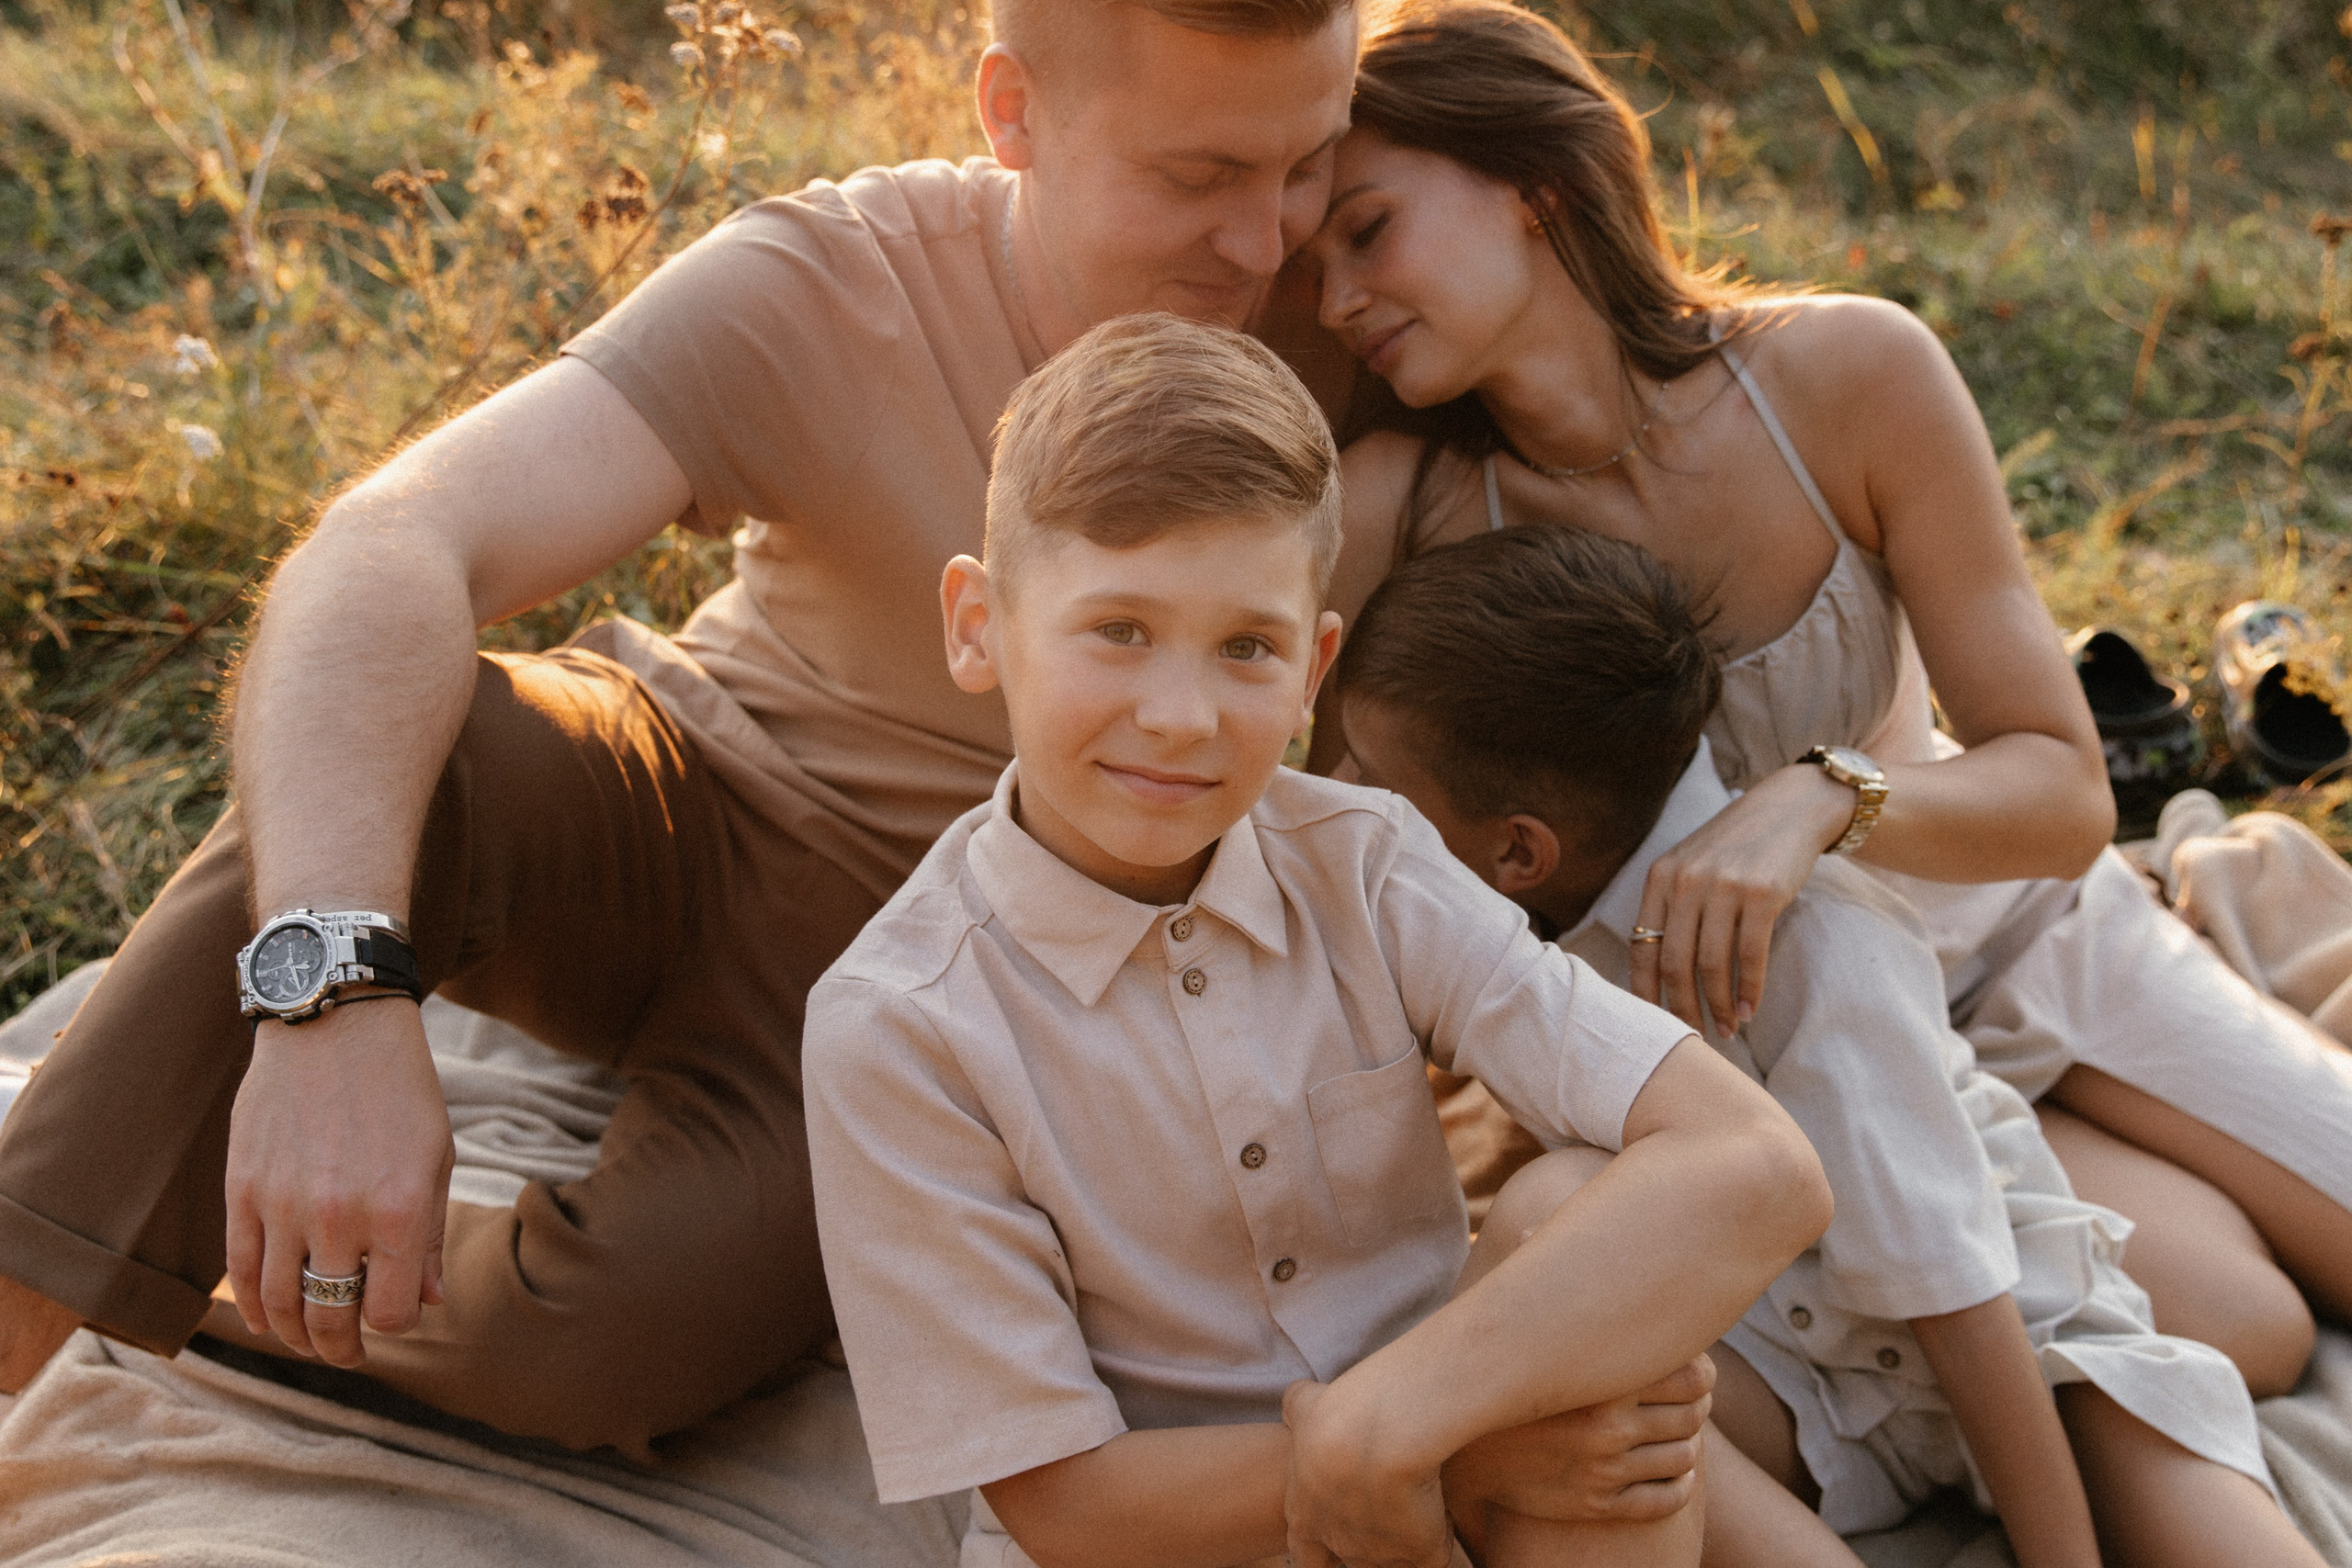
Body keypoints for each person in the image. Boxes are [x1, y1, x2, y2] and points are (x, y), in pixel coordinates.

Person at [0, 0, 1384, 1454]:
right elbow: (389, 544)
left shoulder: (1354, 313)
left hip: (936, 969)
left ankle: (178, 1241)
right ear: (1011, 112)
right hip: (678, 800)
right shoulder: (842, 278)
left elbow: (1620, 412)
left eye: (1309, 163)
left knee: (616, 1350)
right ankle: (31, 1281)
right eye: (1195, 177)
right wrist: (331, 995)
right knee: (414, 749)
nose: (1267, 238)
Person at [1304, 0, 2352, 1392]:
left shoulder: (1847, 375)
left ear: (1538, 185)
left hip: (2021, 934)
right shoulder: (1404, 511)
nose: (1334, 300)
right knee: (2251, 1329)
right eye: (1312, 264)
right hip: (1785, 1067)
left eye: (1366, 231)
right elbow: (1312, 857)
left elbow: (2056, 785)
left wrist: (1821, 797)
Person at [802, 314, 1831, 1568]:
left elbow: (1760, 1163)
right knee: (1585, 1378)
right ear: (979, 623)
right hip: (1174, 1541)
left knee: (1586, 1223)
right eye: (1117, 628)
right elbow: (1068, 1509)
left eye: (1246, 646)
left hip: (1439, 1483)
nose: (1179, 717)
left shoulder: (1367, 859)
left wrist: (1391, 1427)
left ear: (1312, 674)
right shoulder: (901, 1020)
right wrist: (1453, 1450)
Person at [1332, 521, 2323, 1568]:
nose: (1340, 792)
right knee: (1554, 1304)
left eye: (1375, 778)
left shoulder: (1812, 953)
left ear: (1516, 851)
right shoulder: (1523, 933)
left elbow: (1965, 1301)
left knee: (2211, 1502)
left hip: (2024, 1354)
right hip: (1807, 1377)